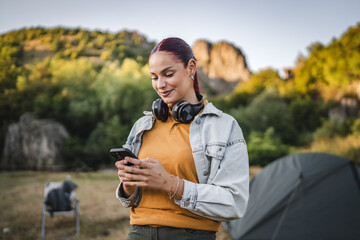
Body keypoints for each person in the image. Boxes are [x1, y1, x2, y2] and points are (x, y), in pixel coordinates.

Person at [115, 37, 249, 240]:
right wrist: (129, 185)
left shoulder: (224, 126)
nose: (160, 85)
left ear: (191, 68)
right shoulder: (141, 126)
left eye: (168, 74)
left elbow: (234, 203)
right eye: (154, 77)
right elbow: (130, 200)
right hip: (138, 233)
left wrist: (170, 183)